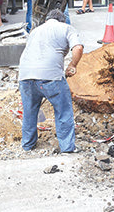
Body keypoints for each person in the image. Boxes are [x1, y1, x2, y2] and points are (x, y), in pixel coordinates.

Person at [18, 9, 83, 153]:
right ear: (62, 20)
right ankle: (67, 148)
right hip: (51, 76)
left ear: (47, 20)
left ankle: (27, 145)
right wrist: (72, 65)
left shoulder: (35, 31)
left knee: (29, 111)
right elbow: (78, 47)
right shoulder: (66, 28)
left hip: (25, 75)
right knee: (63, 111)